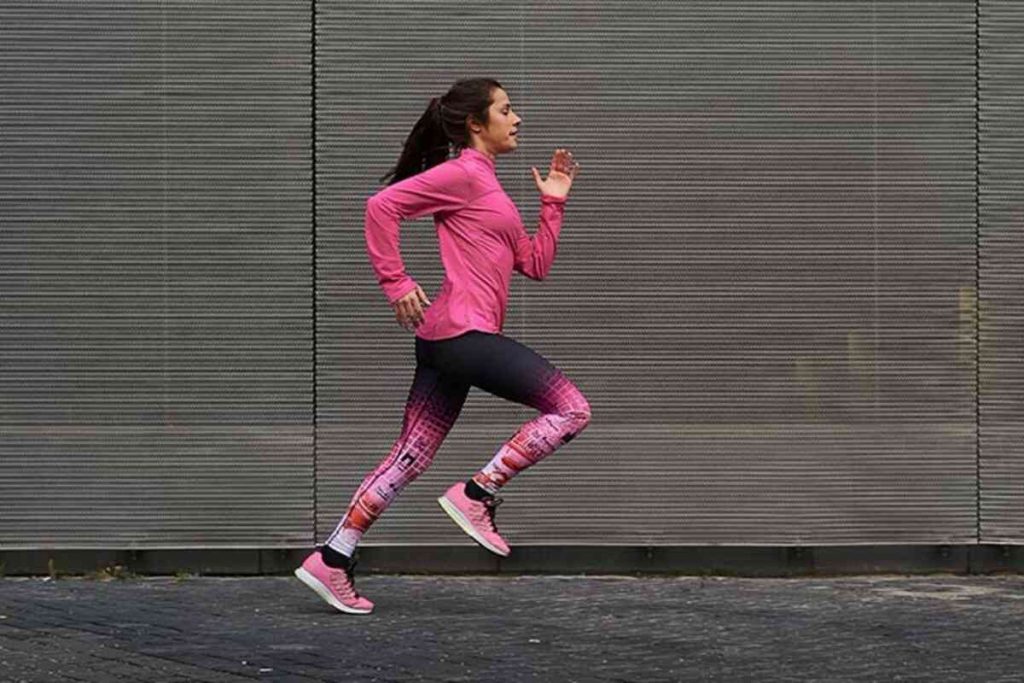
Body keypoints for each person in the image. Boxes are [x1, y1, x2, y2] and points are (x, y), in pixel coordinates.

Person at [294, 78, 590, 614]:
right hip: (464, 334)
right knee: (571, 408)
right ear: (476, 125)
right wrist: (397, 282)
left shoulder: (490, 187)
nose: (517, 118)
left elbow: (535, 264)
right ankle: (477, 494)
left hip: (444, 342)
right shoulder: (461, 175)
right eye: (506, 109)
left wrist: (553, 203)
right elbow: (380, 207)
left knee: (408, 458)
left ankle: (332, 558)